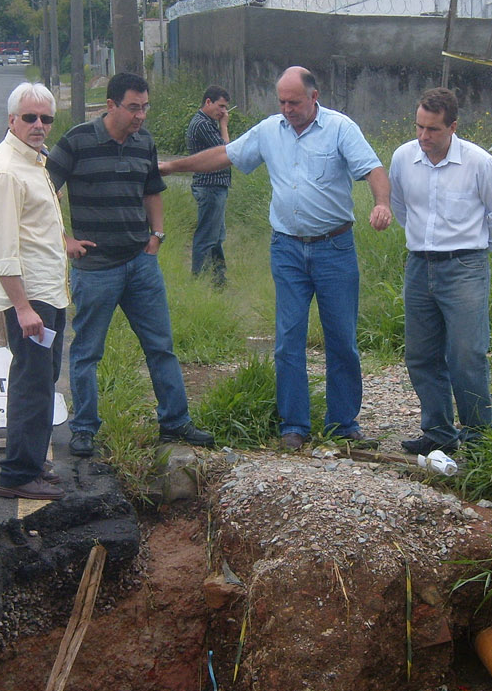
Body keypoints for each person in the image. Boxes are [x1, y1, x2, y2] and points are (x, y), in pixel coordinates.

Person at [159, 66, 391, 451]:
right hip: (287, 250)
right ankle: (294, 426)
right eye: (282, 101)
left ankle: (343, 424)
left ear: (314, 97)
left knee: (341, 339)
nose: (287, 109)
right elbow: (225, 155)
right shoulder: (270, 130)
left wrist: (382, 203)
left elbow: (373, 169)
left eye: (294, 102)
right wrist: (172, 167)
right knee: (288, 339)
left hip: (334, 249)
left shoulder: (340, 129)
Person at [46, 71, 214, 458]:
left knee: (161, 346)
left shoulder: (144, 143)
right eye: (133, 108)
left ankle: (175, 422)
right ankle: (84, 428)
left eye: (145, 107)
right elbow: (45, 192)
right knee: (87, 352)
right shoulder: (77, 141)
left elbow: (152, 191)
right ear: (111, 105)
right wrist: (64, 239)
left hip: (140, 264)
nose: (140, 115)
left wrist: (157, 236)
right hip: (95, 268)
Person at [388, 88, 492, 456]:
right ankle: (438, 431)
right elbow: (400, 206)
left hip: (464, 266)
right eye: (419, 127)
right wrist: (422, 242)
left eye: (433, 129)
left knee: (466, 354)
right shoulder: (403, 158)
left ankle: (478, 436)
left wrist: (477, 250)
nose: (423, 136)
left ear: (453, 127)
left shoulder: (479, 163)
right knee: (421, 354)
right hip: (419, 265)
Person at [0, 83, 70, 501]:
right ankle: (17, 474)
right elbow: (3, 249)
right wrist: (22, 307)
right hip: (30, 298)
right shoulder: (4, 171)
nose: (38, 125)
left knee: (42, 381)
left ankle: (32, 462)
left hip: (48, 292)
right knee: (31, 384)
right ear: (11, 119)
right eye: (29, 117)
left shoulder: (35, 162)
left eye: (46, 119)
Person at [186, 85, 233, 285]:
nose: (223, 112)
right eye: (220, 106)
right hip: (210, 186)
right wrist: (224, 126)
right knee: (207, 237)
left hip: (215, 187)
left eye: (225, 108)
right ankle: (199, 280)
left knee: (216, 237)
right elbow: (226, 152)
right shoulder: (202, 124)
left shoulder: (206, 123)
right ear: (208, 102)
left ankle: (218, 280)